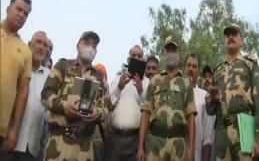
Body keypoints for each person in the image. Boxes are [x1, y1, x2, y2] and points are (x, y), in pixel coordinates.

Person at [41, 31, 110, 161]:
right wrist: (64, 106)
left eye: (94, 45)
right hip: (59, 141)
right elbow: (46, 93)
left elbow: (107, 105)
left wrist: (98, 113)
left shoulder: (100, 77)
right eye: (86, 43)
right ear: (78, 46)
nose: (90, 48)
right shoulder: (63, 66)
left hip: (84, 147)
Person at [205, 23, 259, 161]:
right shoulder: (217, 70)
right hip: (221, 133)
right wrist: (211, 99)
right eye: (227, 35)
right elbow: (210, 111)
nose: (231, 37)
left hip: (244, 130)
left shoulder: (249, 64)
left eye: (234, 34)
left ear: (241, 40)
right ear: (224, 40)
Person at [138, 36, 196, 161]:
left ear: (179, 54)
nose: (171, 54)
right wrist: (140, 147)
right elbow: (146, 113)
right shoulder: (154, 80)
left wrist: (191, 151)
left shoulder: (186, 83)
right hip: (155, 143)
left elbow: (190, 118)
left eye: (173, 50)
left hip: (178, 146)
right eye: (168, 51)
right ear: (164, 53)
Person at [2, 31, 50, 161]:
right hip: (7, 139)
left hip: (31, 148)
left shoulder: (49, 76)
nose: (41, 47)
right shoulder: (17, 65)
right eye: (38, 42)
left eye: (45, 45)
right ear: (29, 44)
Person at [1, 0, 33, 153]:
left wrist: (15, 130)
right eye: (18, 9)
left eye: (26, 13)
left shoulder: (26, 51)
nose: (21, 15)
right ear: (8, 9)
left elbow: (23, 91)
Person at [106, 45, 149, 161]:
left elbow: (150, 111)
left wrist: (141, 91)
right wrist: (119, 88)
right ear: (128, 60)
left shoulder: (147, 83)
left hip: (135, 141)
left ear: (143, 60)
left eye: (139, 56)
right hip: (115, 138)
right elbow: (107, 104)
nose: (136, 58)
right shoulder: (118, 79)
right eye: (133, 55)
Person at [185, 54, 215, 161]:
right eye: (188, 65)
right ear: (184, 68)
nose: (191, 69)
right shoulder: (175, 93)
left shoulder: (205, 96)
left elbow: (208, 137)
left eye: (194, 66)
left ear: (198, 72)